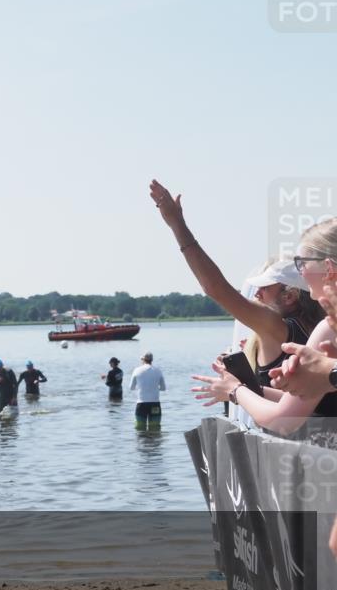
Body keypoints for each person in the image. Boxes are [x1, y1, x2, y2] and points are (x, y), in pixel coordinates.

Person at [151, 180, 323, 387]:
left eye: (265, 287)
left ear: (289, 296)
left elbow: (216, 288)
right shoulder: (322, 327)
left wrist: (177, 224)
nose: (257, 293)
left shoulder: (278, 327)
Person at [193, 219, 337, 437]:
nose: (302, 272)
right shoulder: (321, 327)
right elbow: (314, 407)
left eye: (303, 263)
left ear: (327, 268)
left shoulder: (326, 329)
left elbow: (284, 420)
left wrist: (235, 391)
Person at [129, 352, 166, 430]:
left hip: (141, 404)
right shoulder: (158, 370)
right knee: (155, 429)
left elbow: (131, 387)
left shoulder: (137, 370)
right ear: (152, 360)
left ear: (143, 359)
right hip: (155, 404)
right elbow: (163, 388)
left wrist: (141, 388)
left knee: (140, 429)